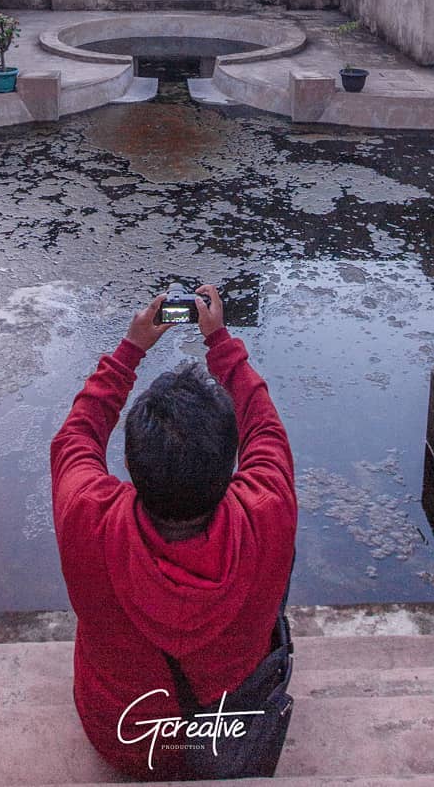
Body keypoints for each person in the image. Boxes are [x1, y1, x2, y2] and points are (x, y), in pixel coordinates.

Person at [50, 284, 297, 780]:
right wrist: (220, 342)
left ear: (131, 465)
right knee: (278, 555)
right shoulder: (266, 510)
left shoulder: (87, 516)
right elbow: (266, 430)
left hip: (122, 737)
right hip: (231, 731)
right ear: (228, 465)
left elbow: (75, 437)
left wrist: (130, 349)